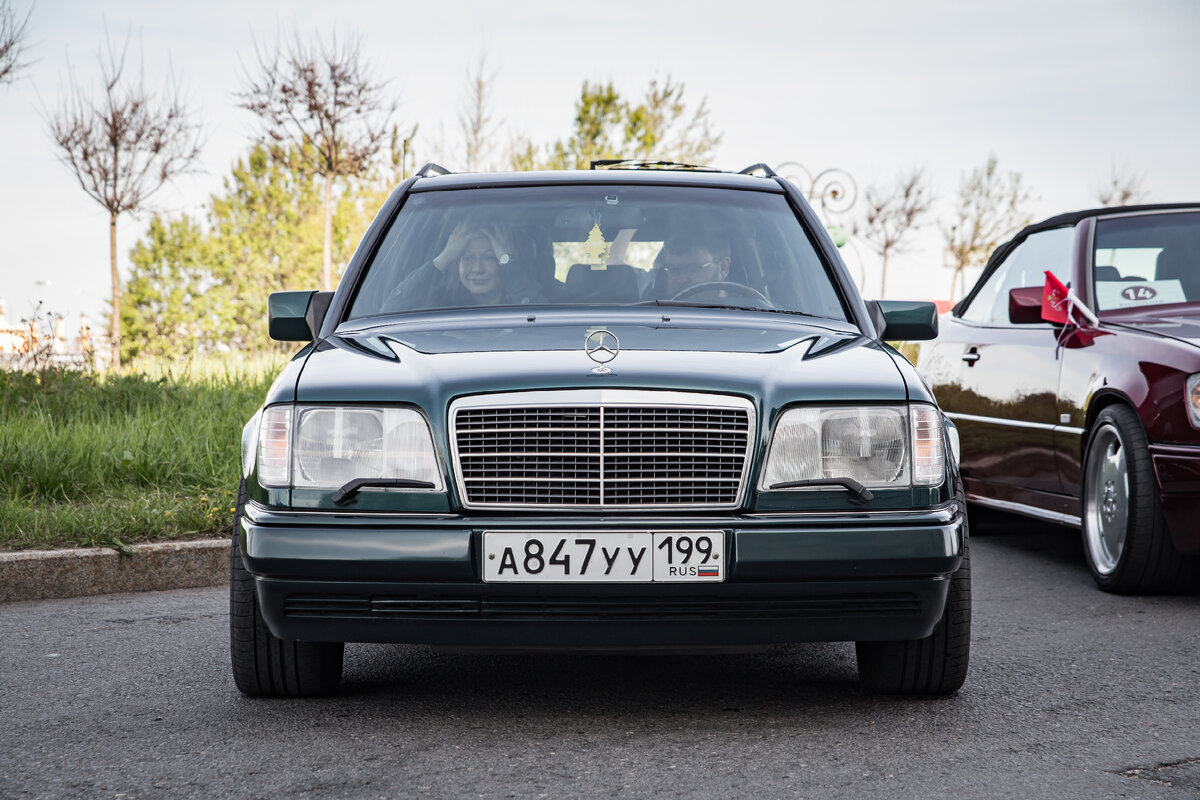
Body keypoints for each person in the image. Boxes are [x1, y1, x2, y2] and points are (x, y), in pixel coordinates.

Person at [395, 220, 538, 309]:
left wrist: (509, 260)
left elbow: (539, 321)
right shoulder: (440, 303)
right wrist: (444, 257)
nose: (477, 269)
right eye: (468, 258)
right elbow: (393, 309)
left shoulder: (545, 296)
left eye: (489, 258)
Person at [647, 228, 732, 299]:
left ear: (723, 268)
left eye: (692, 269)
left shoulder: (742, 313)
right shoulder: (654, 312)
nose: (681, 280)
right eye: (673, 270)